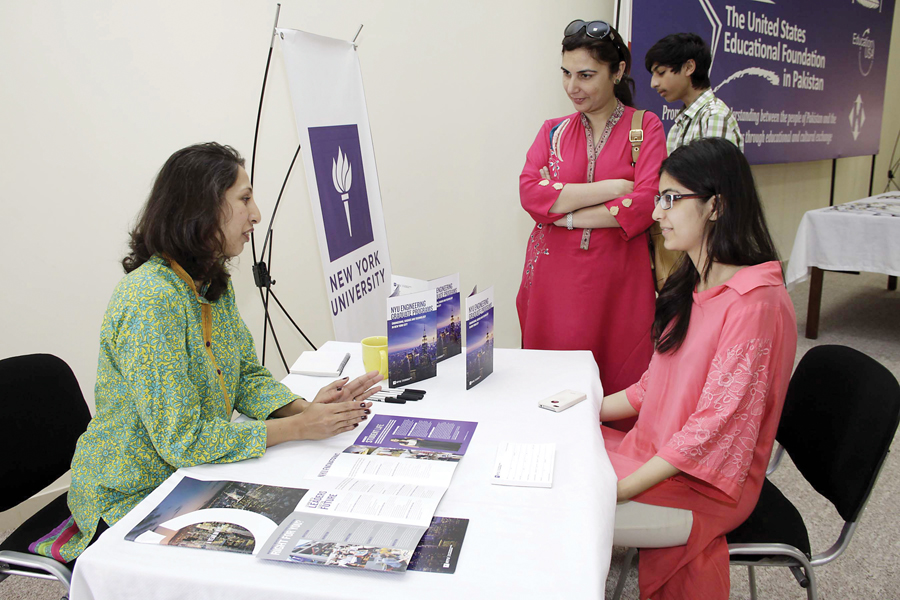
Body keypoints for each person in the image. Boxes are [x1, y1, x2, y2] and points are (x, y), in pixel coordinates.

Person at [37, 143, 381, 563]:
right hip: (133, 493)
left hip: (196, 473)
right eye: (244, 198)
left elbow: (246, 376)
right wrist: (299, 429)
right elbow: (185, 440)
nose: (256, 215)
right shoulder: (149, 300)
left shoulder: (209, 282)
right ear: (200, 208)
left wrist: (302, 409)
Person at [600, 138, 797, 599]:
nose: (656, 213)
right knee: (557, 459)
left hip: (704, 483)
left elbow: (712, 429)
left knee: (558, 499)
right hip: (659, 454)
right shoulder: (692, 280)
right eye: (658, 199)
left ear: (716, 206)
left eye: (671, 200)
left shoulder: (755, 304)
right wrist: (580, 408)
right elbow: (653, 388)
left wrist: (621, 488)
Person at [517, 19, 667, 402]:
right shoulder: (553, 131)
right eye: (566, 74)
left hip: (619, 279)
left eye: (586, 75)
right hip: (552, 279)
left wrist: (562, 213)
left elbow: (647, 201)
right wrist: (610, 189)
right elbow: (531, 193)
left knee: (617, 374)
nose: (572, 87)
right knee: (548, 380)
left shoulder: (645, 128)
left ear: (617, 71)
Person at [645, 32, 744, 154]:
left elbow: (716, 172)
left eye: (661, 72)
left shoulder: (714, 117)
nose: (653, 83)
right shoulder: (678, 126)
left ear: (689, 67)